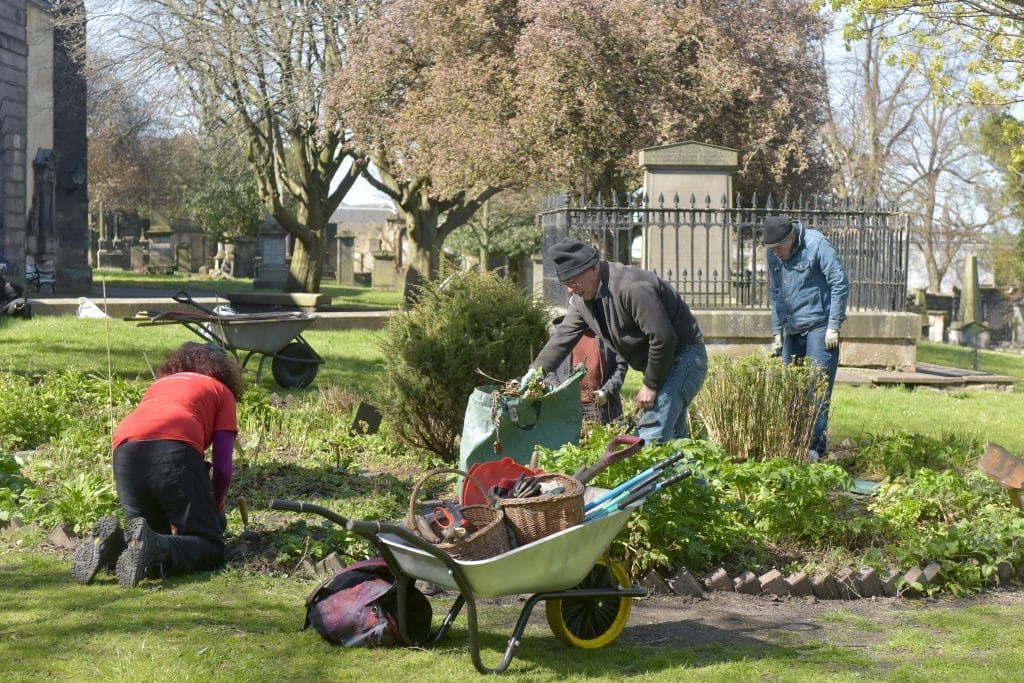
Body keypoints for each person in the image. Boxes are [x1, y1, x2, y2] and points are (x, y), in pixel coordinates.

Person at [71, 342, 242, 588]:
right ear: (223, 370)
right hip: (174, 449)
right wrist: (215, 505)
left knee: (142, 544)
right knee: (209, 546)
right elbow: (223, 466)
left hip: (125, 453)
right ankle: (153, 546)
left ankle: (112, 545)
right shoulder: (220, 390)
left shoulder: (160, 385)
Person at [522, 237, 707, 443]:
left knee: (649, 441)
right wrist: (535, 372)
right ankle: (694, 475)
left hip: (684, 359)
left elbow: (663, 338)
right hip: (664, 363)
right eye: (565, 283)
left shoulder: (632, 286)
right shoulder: (582, 301)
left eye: (573, 281)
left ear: (593, 268)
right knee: (674, 442)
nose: (570, 289)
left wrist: (651, 385)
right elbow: (562, 337)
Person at [763, 215, 849, 461]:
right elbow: (776, 291)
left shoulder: (817, 244)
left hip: (820, 326)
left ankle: (814, 448)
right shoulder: (774, 253)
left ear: (791, 238)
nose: (776, 253)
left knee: (816, 388)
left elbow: (839, 283)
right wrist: (777, 331)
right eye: (771, 249)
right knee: (793, 389)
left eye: (779, 247)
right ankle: (795, 443)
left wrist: (834, 325)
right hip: (792, 327)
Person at [551, 316, 629, 424]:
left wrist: (606, 392)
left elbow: (621, 366)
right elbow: (548, 369)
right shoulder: (560, 333)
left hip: (601, 406)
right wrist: (556, 390)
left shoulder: (609, 332)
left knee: (603, 439)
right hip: (567, 407)